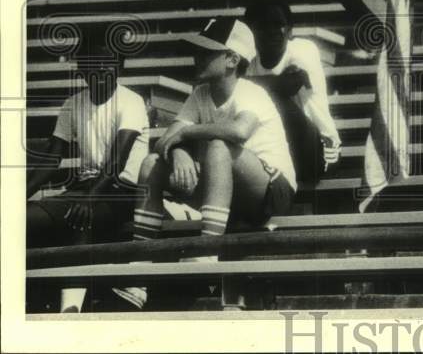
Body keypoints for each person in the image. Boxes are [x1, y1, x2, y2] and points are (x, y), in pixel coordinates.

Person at [111, 17, 296, 310]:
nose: (197, 57)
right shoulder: (199, 94)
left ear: (232, 59)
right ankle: (140, 264)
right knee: (151, 164)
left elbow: (238, 132)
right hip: (224, 190)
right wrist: (179, 151)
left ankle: (207, 253)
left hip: (271, 191)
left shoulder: (251, 92)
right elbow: (166, 140)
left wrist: (184, 134)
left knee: (219, 145)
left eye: (208, 52)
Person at [26, 23, 149, 313]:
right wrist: (19, 194)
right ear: (81, 68)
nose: (100, 71)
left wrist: (89, 198)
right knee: (21, 219)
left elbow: (116, 164)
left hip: (121, 193)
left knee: (80, 217)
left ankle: (71, 311)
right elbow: (51, 159)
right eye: (91, 64)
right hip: (84, 189)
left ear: (119, 66)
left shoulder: (131, 101)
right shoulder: (73, 104)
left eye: (108, 63)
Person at [243, 0, 341, 185]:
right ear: (251, 32)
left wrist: (240, 84)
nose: (272, 31)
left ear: (290, 30)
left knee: (269, 98)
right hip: (277, 149)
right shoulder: (250, 63)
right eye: (263, 26)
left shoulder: (303, 49)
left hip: (318, 147)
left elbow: (289, 85)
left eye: (278, 24)